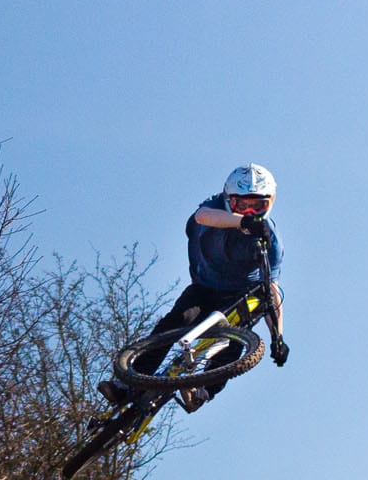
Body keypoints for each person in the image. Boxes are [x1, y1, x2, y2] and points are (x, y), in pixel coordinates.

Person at [97, 163, 289, 413]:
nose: (251, 211)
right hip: (205, 287)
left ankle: (202, 392)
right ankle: (126, 383)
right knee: (177, 321)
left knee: (235, 343)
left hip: (237, 295)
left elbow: (270, 288)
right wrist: (243, 222)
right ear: (229, 199)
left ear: (270, 202)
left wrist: (278, 337)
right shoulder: (217, 207)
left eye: (258, 206)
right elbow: (202, 216)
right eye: (242, 205)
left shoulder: (270, 240)